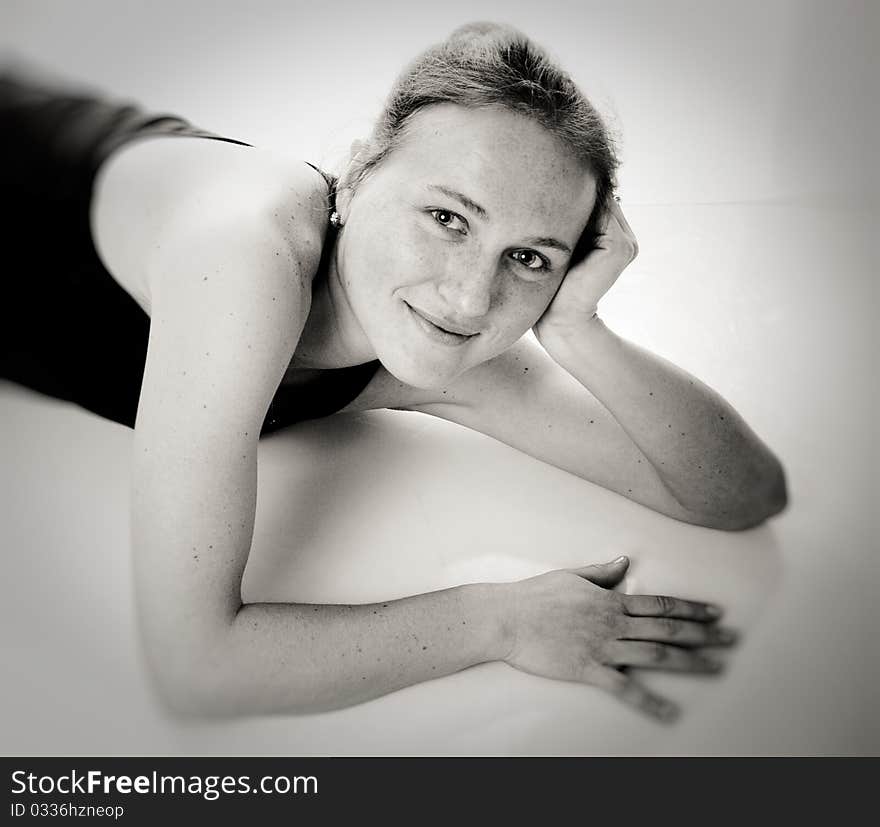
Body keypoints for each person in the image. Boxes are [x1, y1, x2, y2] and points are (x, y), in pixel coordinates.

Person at [0, 22, 787, 723]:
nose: (473, 295)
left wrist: (579, 329)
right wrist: (499, 620)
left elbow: (740, 493)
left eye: (529, 257)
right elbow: (197, 668)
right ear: (357, 176)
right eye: (447, 218)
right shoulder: (244, 256)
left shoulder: (439, 342)